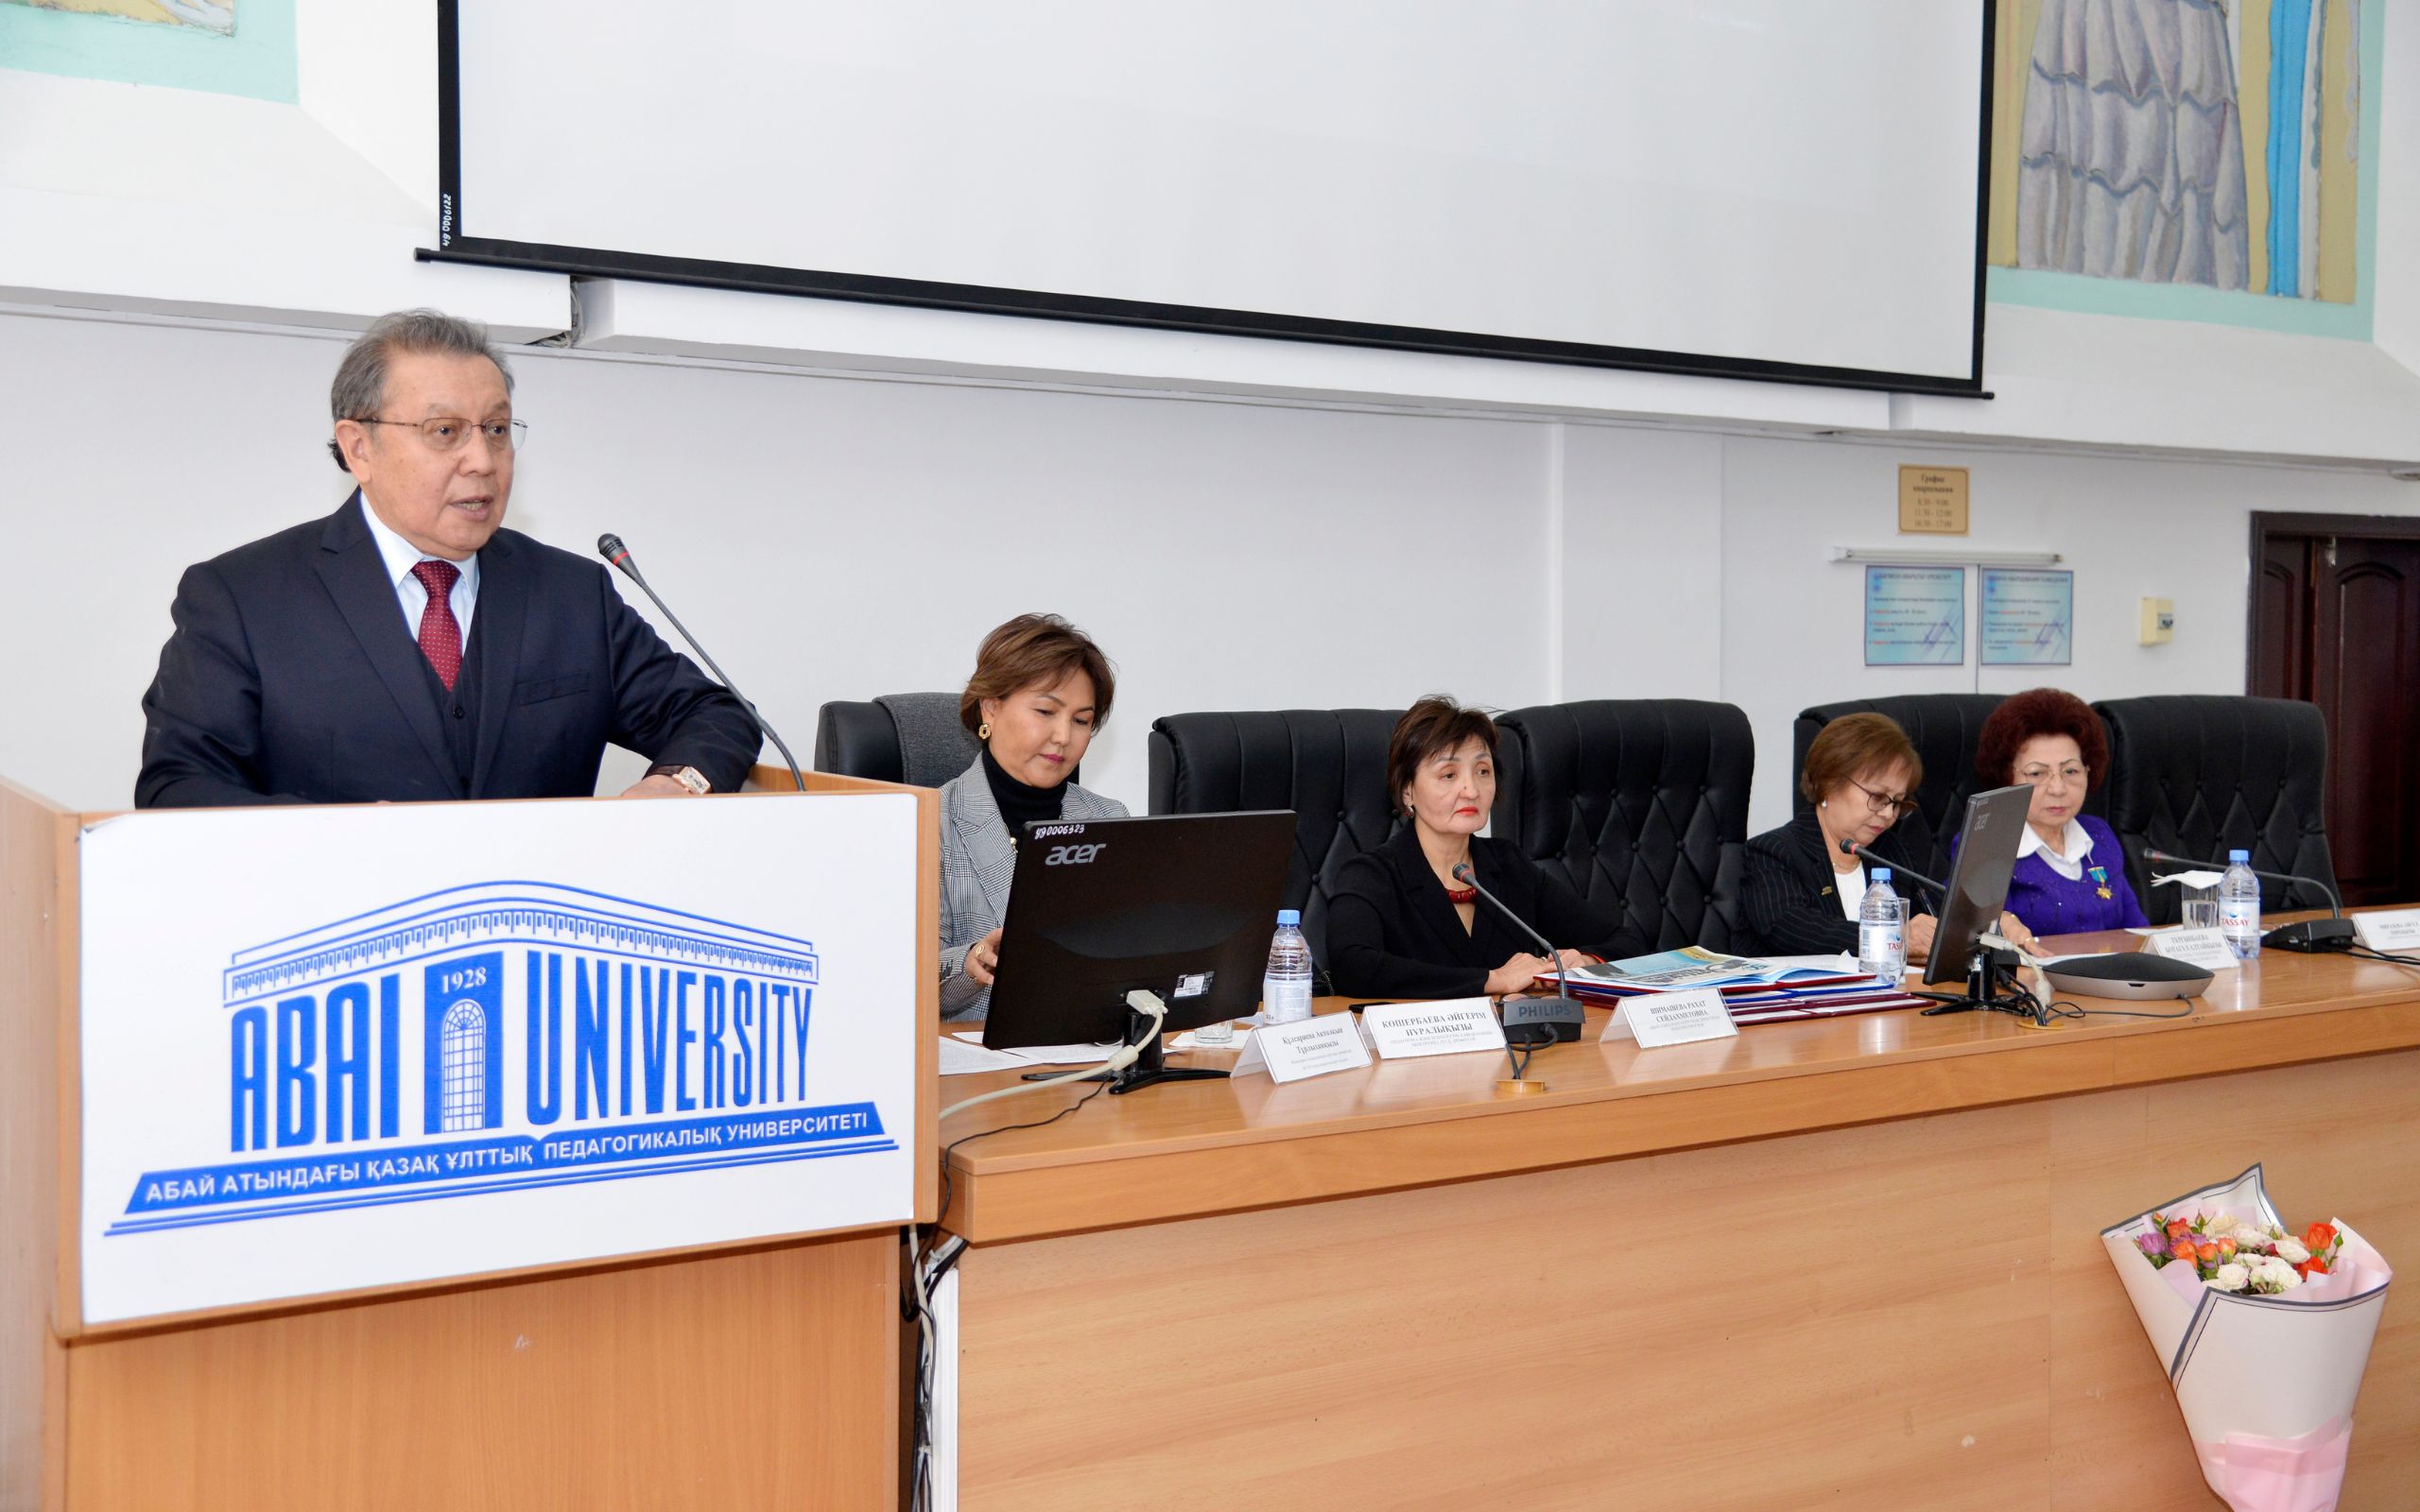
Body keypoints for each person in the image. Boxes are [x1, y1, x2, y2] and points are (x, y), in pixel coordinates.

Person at [136, 309, 758, 807]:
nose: (483, 461)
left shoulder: (571, 594)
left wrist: (677, 784)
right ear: (359, 448)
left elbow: (716, 713)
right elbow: (179, 787)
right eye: (445, 432)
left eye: (496, 430)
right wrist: (333, 838)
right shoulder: (242, 598)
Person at [1325, 697, 1648, 1000]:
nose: (1471, 790)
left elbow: (1627, 942)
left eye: (1483, 771)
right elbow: (1352, 967)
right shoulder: (1371, 875)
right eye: (1448, 775)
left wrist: (1584, 961)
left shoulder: (1508, 865)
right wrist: (1492, 980)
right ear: (1407, 790)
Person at [938, 613, 1128, 1020]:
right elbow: (898, 980)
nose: (1064, 736)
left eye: (1081, 720)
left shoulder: (1110, 818)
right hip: (973, 1052)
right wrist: (973, 962)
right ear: (990, 708)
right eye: (1045, 711)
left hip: (1089, 1044)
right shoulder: (929, 822)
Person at [1741, 712, 2046, 960]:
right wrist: (1896, 936)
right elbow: (1793, 930)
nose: (1888, 814)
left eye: (1897, 802)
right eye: (1878, 797)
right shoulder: (1772, 852)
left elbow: (1935, 913)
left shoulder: (1888, 850)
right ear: (1828, 783)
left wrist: (1989, 924)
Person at [1959, 688, 2147, 937]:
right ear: (2006, 777)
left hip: (2112, 964)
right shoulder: (1987, 845)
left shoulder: (2098, 835)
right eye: (2037, 773)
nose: (2058, 789)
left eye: (2070, 771)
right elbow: (1982, 942)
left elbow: (2138, 931)